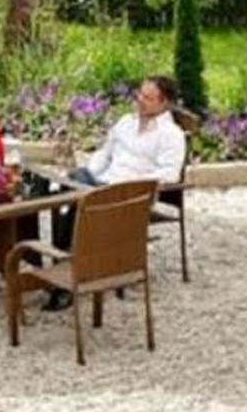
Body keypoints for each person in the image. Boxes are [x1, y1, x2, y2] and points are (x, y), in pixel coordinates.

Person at [42, 75, 189, 310]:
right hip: (102, 185)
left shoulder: (171, 134)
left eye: (147, 98)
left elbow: (169, 175)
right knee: (72, 185)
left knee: (75, 202)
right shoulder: (125, 123)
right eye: (139, 94)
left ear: (164, 103)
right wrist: (88, 173)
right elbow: (104, 154)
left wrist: (130, 183)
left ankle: (64, 271)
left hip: (129, 196)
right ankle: (67, 267)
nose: (139, 100)